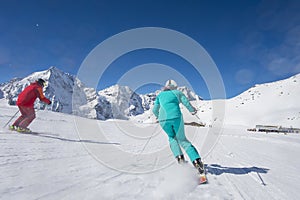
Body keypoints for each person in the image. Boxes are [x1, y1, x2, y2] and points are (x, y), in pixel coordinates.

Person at [152, 80, 204, 173]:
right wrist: (192, 111)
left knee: (172, 138)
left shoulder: (160, 95)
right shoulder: (177, 93)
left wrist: (158, 116)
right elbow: (186, 103)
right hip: (176, 118)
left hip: (163, 120)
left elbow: (155, 109)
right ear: (175, 87)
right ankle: (197, 162)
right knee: (182, 140)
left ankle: (181, 162)